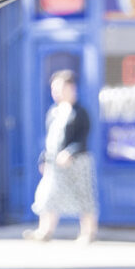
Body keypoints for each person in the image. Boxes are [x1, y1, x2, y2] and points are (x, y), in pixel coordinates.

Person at [29, 71, 97, 244]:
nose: (56, 92)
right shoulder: (53, 112)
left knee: (83, 196)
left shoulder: (80, 112)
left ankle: (88, 233)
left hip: (77, 162)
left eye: (59, 87)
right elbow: (50, 139)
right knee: (48, 195)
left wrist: (70, 152)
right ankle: (45, 231)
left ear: (71, 88)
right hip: (54, 163)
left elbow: (83, 137)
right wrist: (43, 159)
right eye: (53, 88)